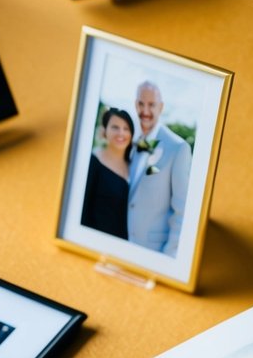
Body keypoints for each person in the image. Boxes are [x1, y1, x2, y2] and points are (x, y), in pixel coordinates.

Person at [127, 80, 191, 256]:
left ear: (161, 107)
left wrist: (168, 257)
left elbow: (182, 210)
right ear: (135, 104)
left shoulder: (178, 148)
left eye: (151, 105)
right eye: (141, 104)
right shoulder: (128, 140)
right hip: (122, 244)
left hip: (154, 251)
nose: (145, 111)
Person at [80, 106, 134, 239]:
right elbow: (83, 209)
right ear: (105, 131)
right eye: (115, 127)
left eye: (126, 128)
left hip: (127, 244)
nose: (121, 133)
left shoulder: (135, 166)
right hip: (98, 240)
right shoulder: (93, 161)